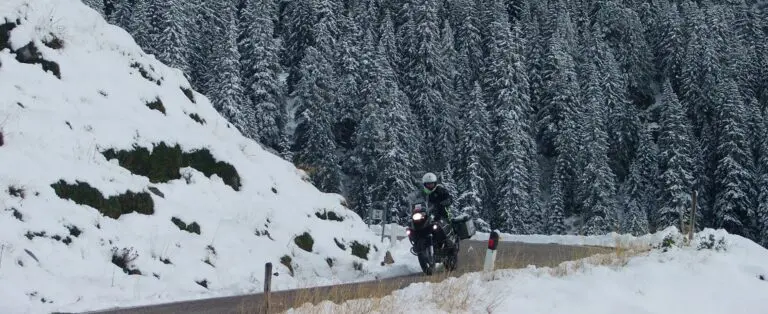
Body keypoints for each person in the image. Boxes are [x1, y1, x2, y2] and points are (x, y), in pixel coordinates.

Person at [419, 172, 456, 250]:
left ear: (435, 183)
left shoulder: (440, 190)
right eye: (428, 184)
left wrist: (445, 202)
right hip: (427, 215)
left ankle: (448, 241)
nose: (430, 186)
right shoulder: (422, 193)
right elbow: (415, 200)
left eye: (431, 184)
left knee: (441, 225)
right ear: (424, 184)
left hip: (441, 214)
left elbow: (449, 198)